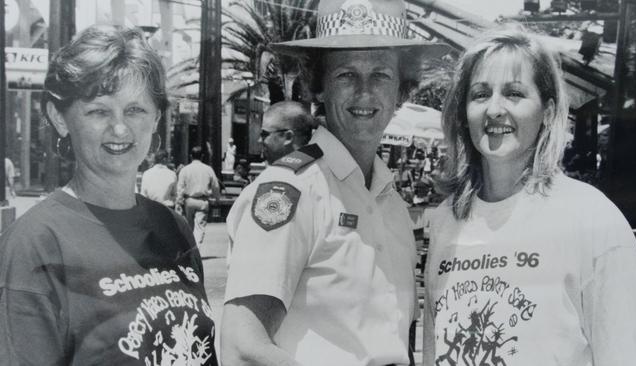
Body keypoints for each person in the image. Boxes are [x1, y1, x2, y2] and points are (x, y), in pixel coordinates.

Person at [220, 0, 449, 365]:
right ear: (319, 87)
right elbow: (241, 348)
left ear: (401, 91)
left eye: (381, 75)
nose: (364, 92)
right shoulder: (290, 191)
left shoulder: (391, 204)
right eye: (345, 74)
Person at [423, 27, 636, 366]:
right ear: (462, 113)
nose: (495, 110)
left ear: (547, 112)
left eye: (514, 93)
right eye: (480, 94)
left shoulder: (591, 219)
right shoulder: (445, 220)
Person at [0, 25, 218, 365]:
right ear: (60, 118)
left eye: (135, 110)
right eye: (98, 111)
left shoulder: (173, 227)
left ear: (156, 119)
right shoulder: (34, 244)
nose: (119, 129)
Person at [176, 146, 220, 246]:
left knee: (189, 227)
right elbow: (215, 185)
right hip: (202, 201)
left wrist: (179, 202)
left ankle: (190, 248)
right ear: (202, 156)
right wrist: (217, 199)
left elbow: (180, 187)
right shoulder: (208, 169)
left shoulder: (185, 170)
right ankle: (196, 250)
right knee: (200, 228)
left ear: (191, 156)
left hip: (189, 201)